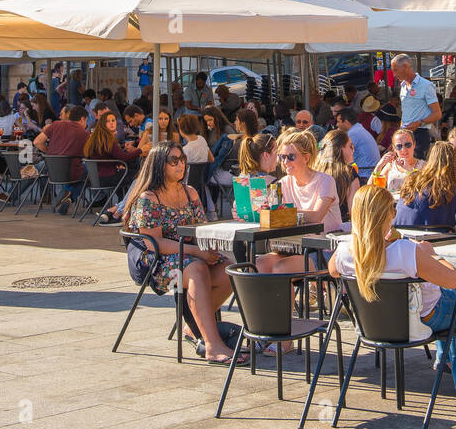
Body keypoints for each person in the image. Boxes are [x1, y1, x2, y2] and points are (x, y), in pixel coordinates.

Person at [328, 183, 456, 403]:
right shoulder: (404, 251)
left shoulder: (345, 250)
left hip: (373, 324)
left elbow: (333, 270)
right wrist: (431, 255)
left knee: (442, 299)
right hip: (415, 321)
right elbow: (454, 280)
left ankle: (443, 358)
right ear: (388, 215)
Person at [123, 143, 234, 363]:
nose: (181, 164)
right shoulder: (149, 198)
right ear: (159, 165)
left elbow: (201, 229)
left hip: (190, 254)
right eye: (173, 161)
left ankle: (193, 326)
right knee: (197, 269)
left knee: (229, 270)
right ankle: (212, 344)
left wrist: (209, 248)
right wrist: (196, 252)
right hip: (157, 261)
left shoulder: (190, 192)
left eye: (182, 159)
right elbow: (153, 243)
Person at [256, 131, 341, 335]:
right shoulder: (283, 183)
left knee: (280, 270)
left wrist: (282, 211)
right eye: (282, 157)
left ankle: (283, 337)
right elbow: (273, 215)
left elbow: (316, 217)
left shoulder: (325, 181)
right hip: (293, 247)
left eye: (291, 157)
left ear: (306, 157)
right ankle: (267, 328)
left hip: (324, 251)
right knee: (258, 265)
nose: (285, 162)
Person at [393, 140, 456, 229]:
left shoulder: (413, 179)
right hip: (426, 236)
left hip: (399, 231)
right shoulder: (451, 190)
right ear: (454, 162)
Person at [33, 104, 89, 214]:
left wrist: (49, 153)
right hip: (72, 172)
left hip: (52, 171)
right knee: (90, 173)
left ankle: (66, 197)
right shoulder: (84, 133)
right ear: (82, 119)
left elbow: (37, 142)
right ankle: (68, 197)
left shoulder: (55, 125)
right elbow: (89, 154)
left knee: (79, 170)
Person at [391, 53, 442, 161]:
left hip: (421, 133)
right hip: (405, 134)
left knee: (418, 169)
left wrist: (419, 122)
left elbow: (437, 114)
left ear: (405, 67)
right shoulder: (403, 86)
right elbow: (405, 113)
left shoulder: (426, 85)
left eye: (395, 70)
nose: (394, 74)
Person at [314, 129, 360, 228]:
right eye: (350, 146)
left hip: (315, 227)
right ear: (340, 148)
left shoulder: (314, 170)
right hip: (339, 228)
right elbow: (354, 211)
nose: (353, 150)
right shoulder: (349, 172)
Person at [372, 126, 425, 197]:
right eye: (399, 146)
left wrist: (408, 169)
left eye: (408, 145)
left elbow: (424, 190)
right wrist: (379, 165)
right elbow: (371, 188)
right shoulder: (390, 165)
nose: (404, 149)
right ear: (394, 148)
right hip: (392, 205)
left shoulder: (424, 166)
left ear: (414, 145)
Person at [335, 106, 380, 181]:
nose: (337, 125)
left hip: (364, 176)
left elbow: (338, 153)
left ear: (346, 122)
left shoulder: (353, 133)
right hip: (368, 172)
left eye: (338, 122)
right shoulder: (357, 129)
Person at [175, 113, 213, 199]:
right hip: (201, 182)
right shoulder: (202, 139)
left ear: (181, 130)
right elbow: (211, 158)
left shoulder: (185, 150)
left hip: (186, 184)